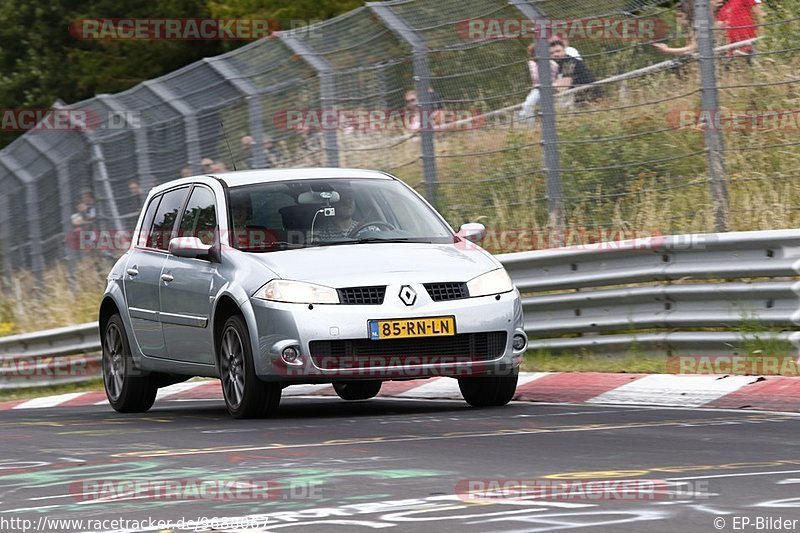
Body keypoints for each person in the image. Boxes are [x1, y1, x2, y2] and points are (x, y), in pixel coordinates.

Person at [550, 39, 602, 104]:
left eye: (558, 51)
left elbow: (563, 86)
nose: (555, 54)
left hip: (589, 96)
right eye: (551, 53)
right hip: (576, 96)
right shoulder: (555, 65)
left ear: (564, 51)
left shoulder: (569, 62)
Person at [519, 42, 558, 123]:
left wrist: (546, 62)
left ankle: (550, 123)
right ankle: (530, 125)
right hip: (538, 89)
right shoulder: (532, 64)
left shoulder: (553, 63)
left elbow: (553, 75)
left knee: (547, 108)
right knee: (527, 105)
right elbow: (536, 77)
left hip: (550, 88)